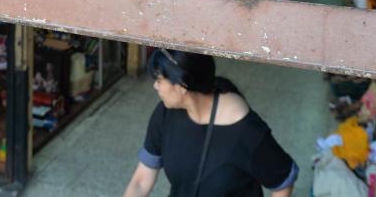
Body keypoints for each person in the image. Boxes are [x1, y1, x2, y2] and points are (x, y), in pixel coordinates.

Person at [124, 49, 298, 197]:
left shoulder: (245, 130)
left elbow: (283, 182)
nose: (155, 86)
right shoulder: (165, 113)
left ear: (181, 86)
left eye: (159, 80)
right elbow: (141, 180)